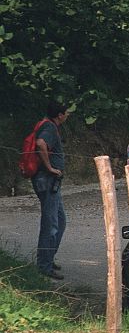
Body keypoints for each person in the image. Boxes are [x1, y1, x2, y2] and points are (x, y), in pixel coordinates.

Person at [32, 101, 70, 280]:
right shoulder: (49, 127)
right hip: (47, 180)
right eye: (66, 113)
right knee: (51, 225)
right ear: (60, 115)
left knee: (60, 221)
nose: (67, 115)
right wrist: (50, 168)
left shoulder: (48, 125)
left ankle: (48, 258)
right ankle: (44, 266)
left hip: (51, 182)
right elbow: (40, 143)